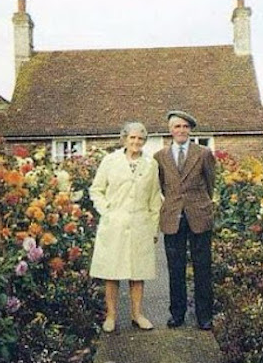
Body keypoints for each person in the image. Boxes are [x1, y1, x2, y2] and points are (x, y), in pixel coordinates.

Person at [89, 122, 163, 333]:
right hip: (114, 224)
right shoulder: (110, 161)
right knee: (111, 272)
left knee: (137, 273)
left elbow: (154, 199)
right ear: (124, 139)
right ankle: (111, 316)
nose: (136, 142)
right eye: (132, 138)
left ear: (144, 141)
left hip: (141, 224)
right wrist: (107, 211)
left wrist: (153, 228)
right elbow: (96, 190)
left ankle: (137, 314)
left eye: (140, 139)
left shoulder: (151, 165)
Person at [154, 110, 216, 330]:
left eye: (184, 127)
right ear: (170, 130)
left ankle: (204, 316)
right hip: (173, 217)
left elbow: (210, 183)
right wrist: (174, 203)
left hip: (199, 215)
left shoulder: (203, 153)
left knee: (202, 267)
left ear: (190, 130)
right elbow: (162, 186)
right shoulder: (160, 157)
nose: (180, 130)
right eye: (176, 127)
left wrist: (199, 203)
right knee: (175, 268)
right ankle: (177, 314)